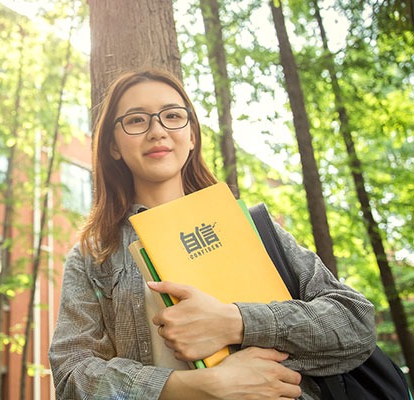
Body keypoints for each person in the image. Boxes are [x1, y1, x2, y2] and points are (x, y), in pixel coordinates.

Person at [48, 69, 377, 399]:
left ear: (192, 136)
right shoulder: (94, 254)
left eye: (173, 116)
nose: (157, 131)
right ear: (113, 146)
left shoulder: (248, 226)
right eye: (136, 120)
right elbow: (71, 372)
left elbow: (355, 323)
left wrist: (234, 321)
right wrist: (198, 387)